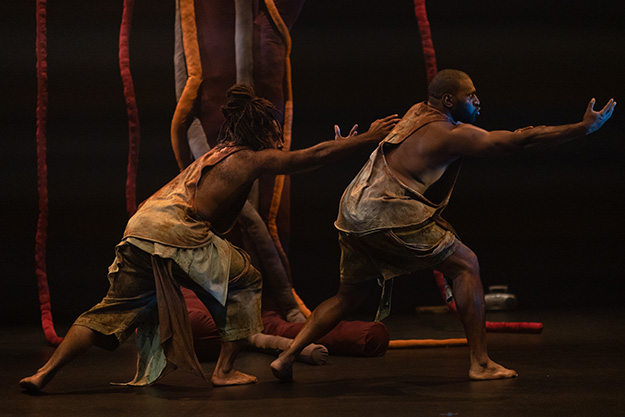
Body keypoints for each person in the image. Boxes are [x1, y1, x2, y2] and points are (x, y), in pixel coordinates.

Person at [19, 83, 399, 392]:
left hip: (140, 229)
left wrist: (343, 144)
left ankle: (44, 373)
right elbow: (308, 158)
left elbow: (313, 153)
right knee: (247, 279)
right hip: (177, 231)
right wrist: (366, 139)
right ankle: (224, 371)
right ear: (260, 130)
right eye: (272, 130)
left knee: (107, 313)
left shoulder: (215, 155)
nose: (276, 138)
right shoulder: (251, 158)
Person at [270, 69, 616, 381]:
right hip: (384, 210)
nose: (478, 101)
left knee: (349, 296)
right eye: (471, 95)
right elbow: (520, 139)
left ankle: (286, 356)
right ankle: (480, 362)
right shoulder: (452, 134)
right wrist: (583, 128)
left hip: (352, 207)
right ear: (449, 100)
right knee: (467, 264)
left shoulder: (415, 112)